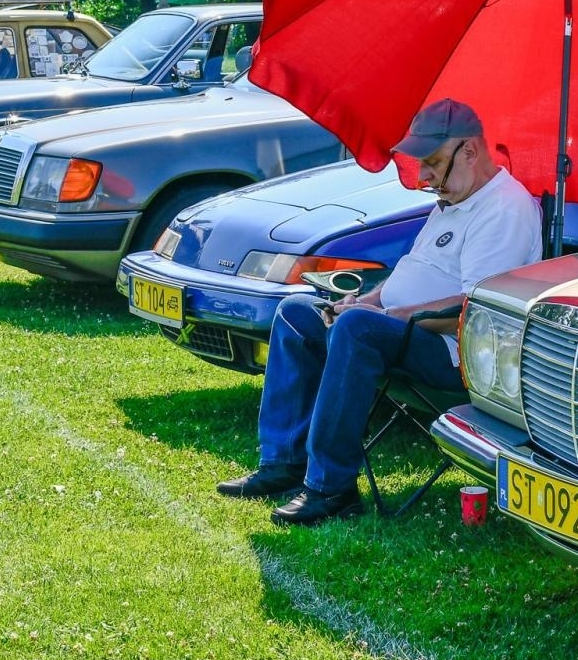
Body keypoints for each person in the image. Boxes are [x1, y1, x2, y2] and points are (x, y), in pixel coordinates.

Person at [218, 98, 542, 526]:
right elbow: (413, 271)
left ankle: (331, 488)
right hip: (404, 331)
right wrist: (364, 302)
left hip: (456, 355)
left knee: (356, 331)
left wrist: (393, 317)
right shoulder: (456, 199)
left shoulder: (504, 209)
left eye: (432, 162)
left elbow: (476, 307)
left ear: (469, 150)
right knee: (297, 313)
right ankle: (283, 464)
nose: (424, 176)